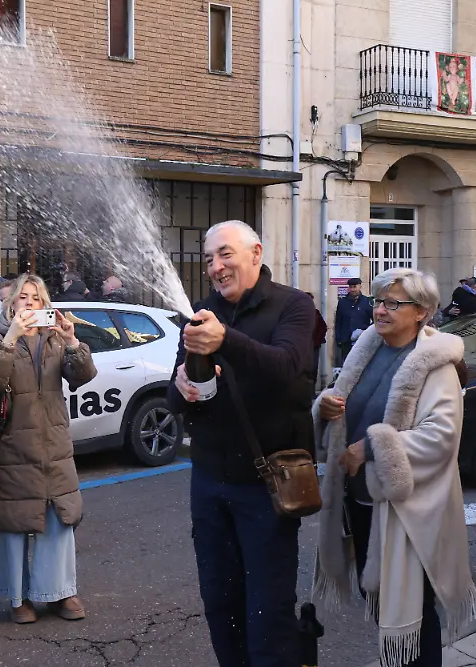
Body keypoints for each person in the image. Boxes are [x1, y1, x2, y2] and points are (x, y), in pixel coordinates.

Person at [312, 269, 476, 667]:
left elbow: (440, 437)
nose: (380, 310)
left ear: (422, 312)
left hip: (406, 512)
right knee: (381, 605)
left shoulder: (436, 365)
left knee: (413, 614)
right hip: (362, 501)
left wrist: (368, 447)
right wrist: (326, 407)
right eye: (377, 301)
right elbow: (343, 399)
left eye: (392, 303)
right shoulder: (367, 347)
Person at [167, 220, 315, 667]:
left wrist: (226, 340)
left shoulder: (294, 306)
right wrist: (183, 387)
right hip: (210, 483)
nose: (216, 266)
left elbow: (288, 369)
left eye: (225, 254)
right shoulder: (201, 310)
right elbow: (178, 398)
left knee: (268, 612)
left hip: (265, 486)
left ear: (256, 252)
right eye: (209, 258)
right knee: (220, 605)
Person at [0, 274, 97, 624]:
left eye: (36, 298)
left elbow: (82, 375)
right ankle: (18, 598)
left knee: (59, 518)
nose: (28, 303)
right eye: (22, 297)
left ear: (45, 305)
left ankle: (59, 592)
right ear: (11, 303)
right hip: (12, 442)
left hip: (53, 442)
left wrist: (73, 341)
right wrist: (12, 337)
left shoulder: (54, 338)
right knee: (14, 521)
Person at [334, 278, 372, 365]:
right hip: (345, 341)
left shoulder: (366, 302)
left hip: (361, 340)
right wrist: (338, 338)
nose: (353, 289)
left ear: (360, 287)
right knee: (347, 364)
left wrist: (364, 331)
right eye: (351, 287)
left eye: (355, 287)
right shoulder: (343, 302)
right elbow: (338, 322)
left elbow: (375, 321)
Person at [306, 291, 329, 381]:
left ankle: (312, 391)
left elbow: (323, 328)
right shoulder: (297, 314)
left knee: (313, 368)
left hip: (314, 346)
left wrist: (316, 341)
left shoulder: (316, 313)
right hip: (302, 347)